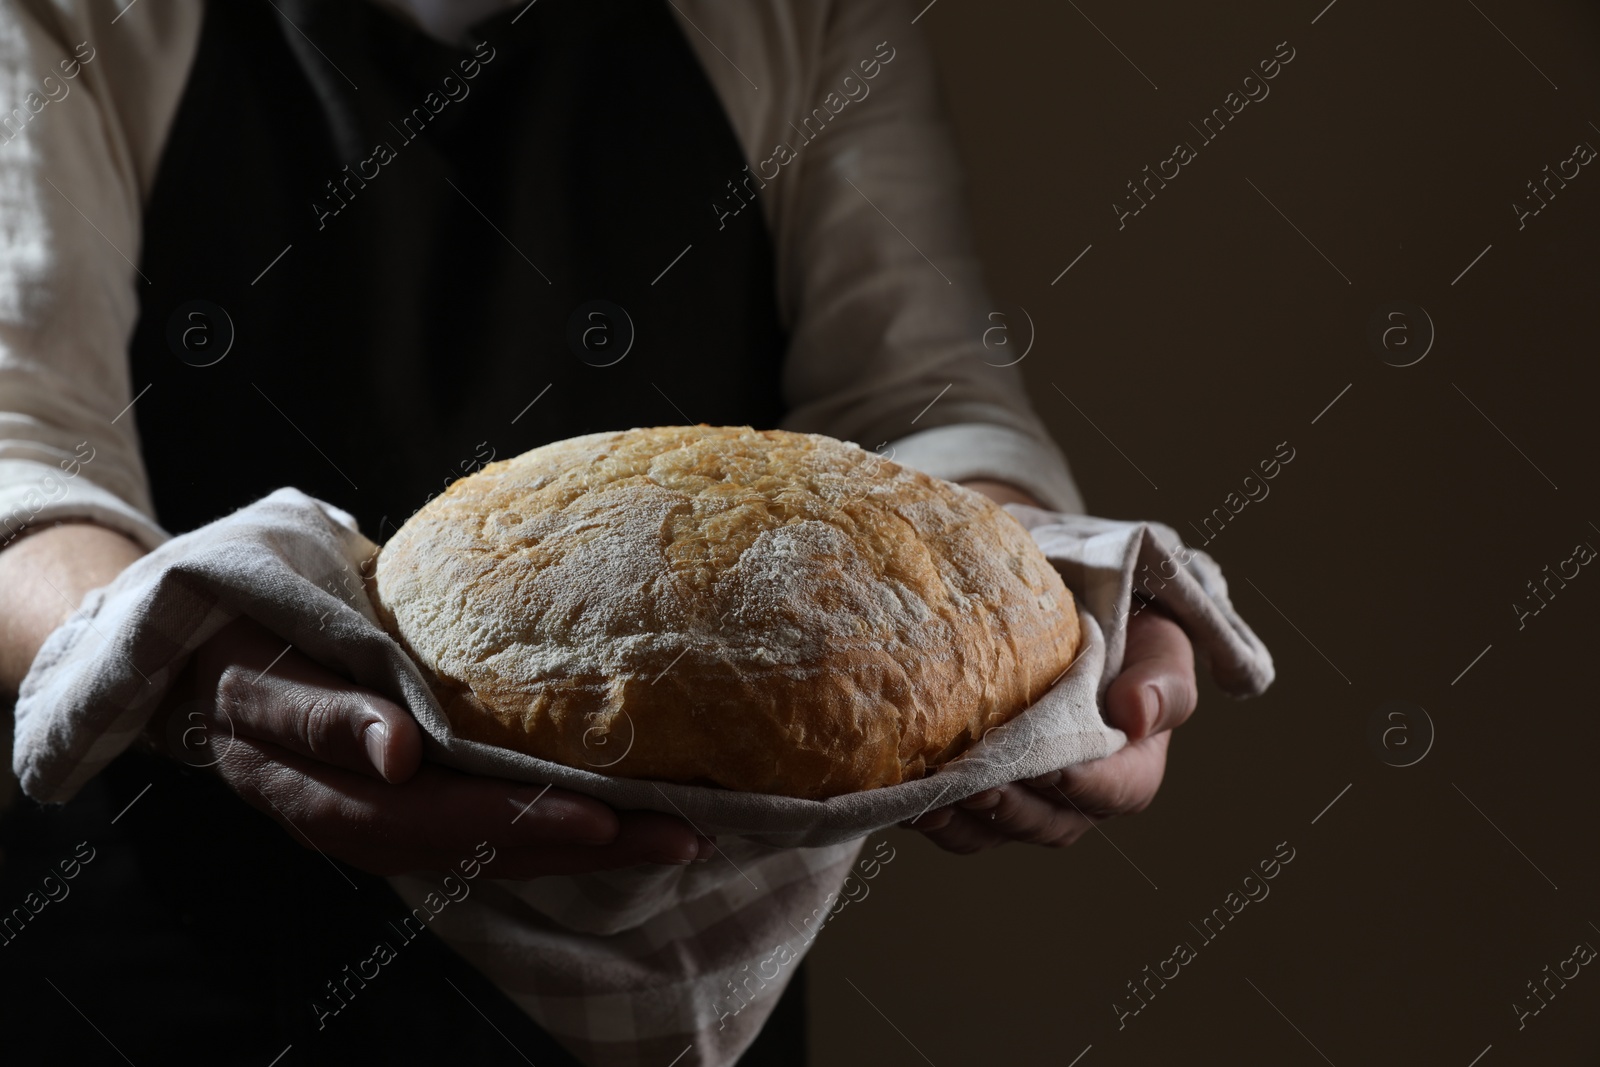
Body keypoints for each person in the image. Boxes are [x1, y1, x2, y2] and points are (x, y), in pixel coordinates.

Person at [0, 0, 1198, 1062]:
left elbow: (916, 398)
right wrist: (193, 665)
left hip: (685, 941)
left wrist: (1047, 588)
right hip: (173, 933)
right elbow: (19, 441)